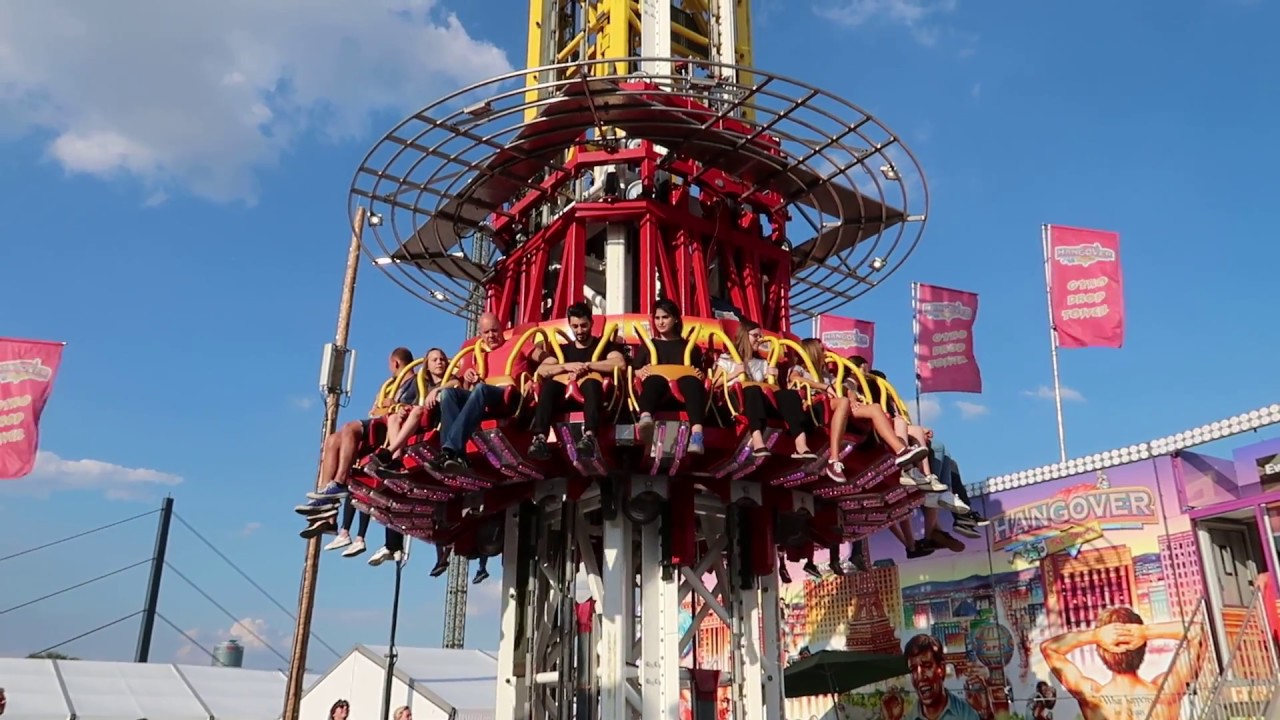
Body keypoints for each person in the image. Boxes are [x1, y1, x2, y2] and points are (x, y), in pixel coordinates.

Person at [296, 347, 417, 520]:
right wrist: (383, 407)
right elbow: (374, 411)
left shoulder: (416, 381)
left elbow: (412, 408)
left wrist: (391, 406)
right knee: (332, 440)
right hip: (381, 421)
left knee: (350, 427)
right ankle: (325, 498)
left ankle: (340, 481)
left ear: (395, 363)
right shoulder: (390, 385)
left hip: (391, 428)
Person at [1040, 607, 1205, 720]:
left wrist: (1096, 636)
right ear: (1142, 647)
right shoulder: (1165, 692)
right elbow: (1199, 633)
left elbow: (1050, 649)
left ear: (1101, 651)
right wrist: (1145, 632)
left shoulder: (1093, 697)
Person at [432, 312, 547, 471]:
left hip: (510, 396)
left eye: (494, 331)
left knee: (480, 389)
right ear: (480, 335)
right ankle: (453, 455)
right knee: (448, 394)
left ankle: (450, 450)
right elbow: (469, 387)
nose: (491, 335)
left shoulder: (517, 343)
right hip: (485, 396)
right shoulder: (481, 356)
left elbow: (549, 360)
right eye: (486, 332)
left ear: (502, 330)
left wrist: (535, 379)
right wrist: (467, 376)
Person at [529, 302, 627, 460]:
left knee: (591, 383)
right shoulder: (563, 350)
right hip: (564, 397)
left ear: (591, 323)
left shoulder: (604, 346)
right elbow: (542, 370)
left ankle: (589, 436)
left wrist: (589, 366)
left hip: (594, 395)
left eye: (583, 326)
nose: (579, 331)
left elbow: (620, 363)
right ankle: (540, 437)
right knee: (549, 387)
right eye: (575, 327)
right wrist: (566, 366)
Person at [716, 320, 815, 458]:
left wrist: (773, 377)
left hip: (758, 400)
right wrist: (734, 373)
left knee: (789, 395)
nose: (759, 339)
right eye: (755, 336)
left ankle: (801, 443)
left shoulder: (762, 363)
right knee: (753, 390)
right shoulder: (727, 359)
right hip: (736, 399)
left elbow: (771, 389)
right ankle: (757, 440)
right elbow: (715, 384)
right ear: (745, 335)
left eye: (760, 336)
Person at [632, 299, 708, 454]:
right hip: (658, 393)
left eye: (665, 317)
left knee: (691, 382)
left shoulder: (689, 347)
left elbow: (699, 372)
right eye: (657, 318)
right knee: (654, 379)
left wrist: (699, 374)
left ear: (675, 319)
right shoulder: (649, 345)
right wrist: (639, 372)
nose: (660, 322)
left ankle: (697, 435)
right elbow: (633, 369)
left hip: (682, 394)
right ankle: (646, 418)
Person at [904, 634, 980, 720]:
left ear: (941, 669)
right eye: (913, 669)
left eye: (927, 666)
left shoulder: (966, 714)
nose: (920, 677)